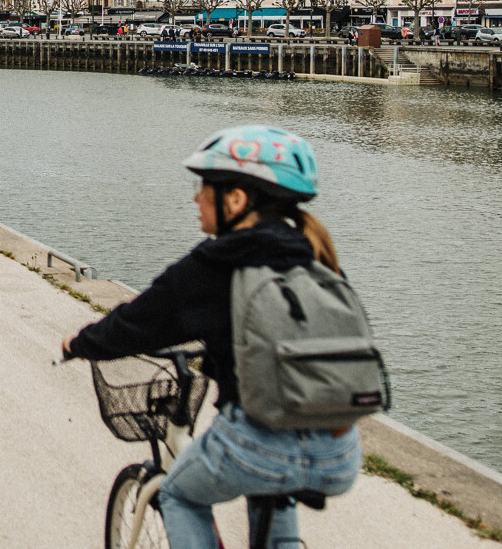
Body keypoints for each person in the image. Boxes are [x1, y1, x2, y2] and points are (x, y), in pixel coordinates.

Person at [60, 125, 359, 549]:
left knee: (177, 495)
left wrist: (80, 343)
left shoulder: (222, 261)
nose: (196, 199)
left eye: (204, 188)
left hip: (258, 442)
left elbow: (139, 322)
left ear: (236, 199)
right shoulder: (315, 253)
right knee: (273, 493)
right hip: (339, 450)